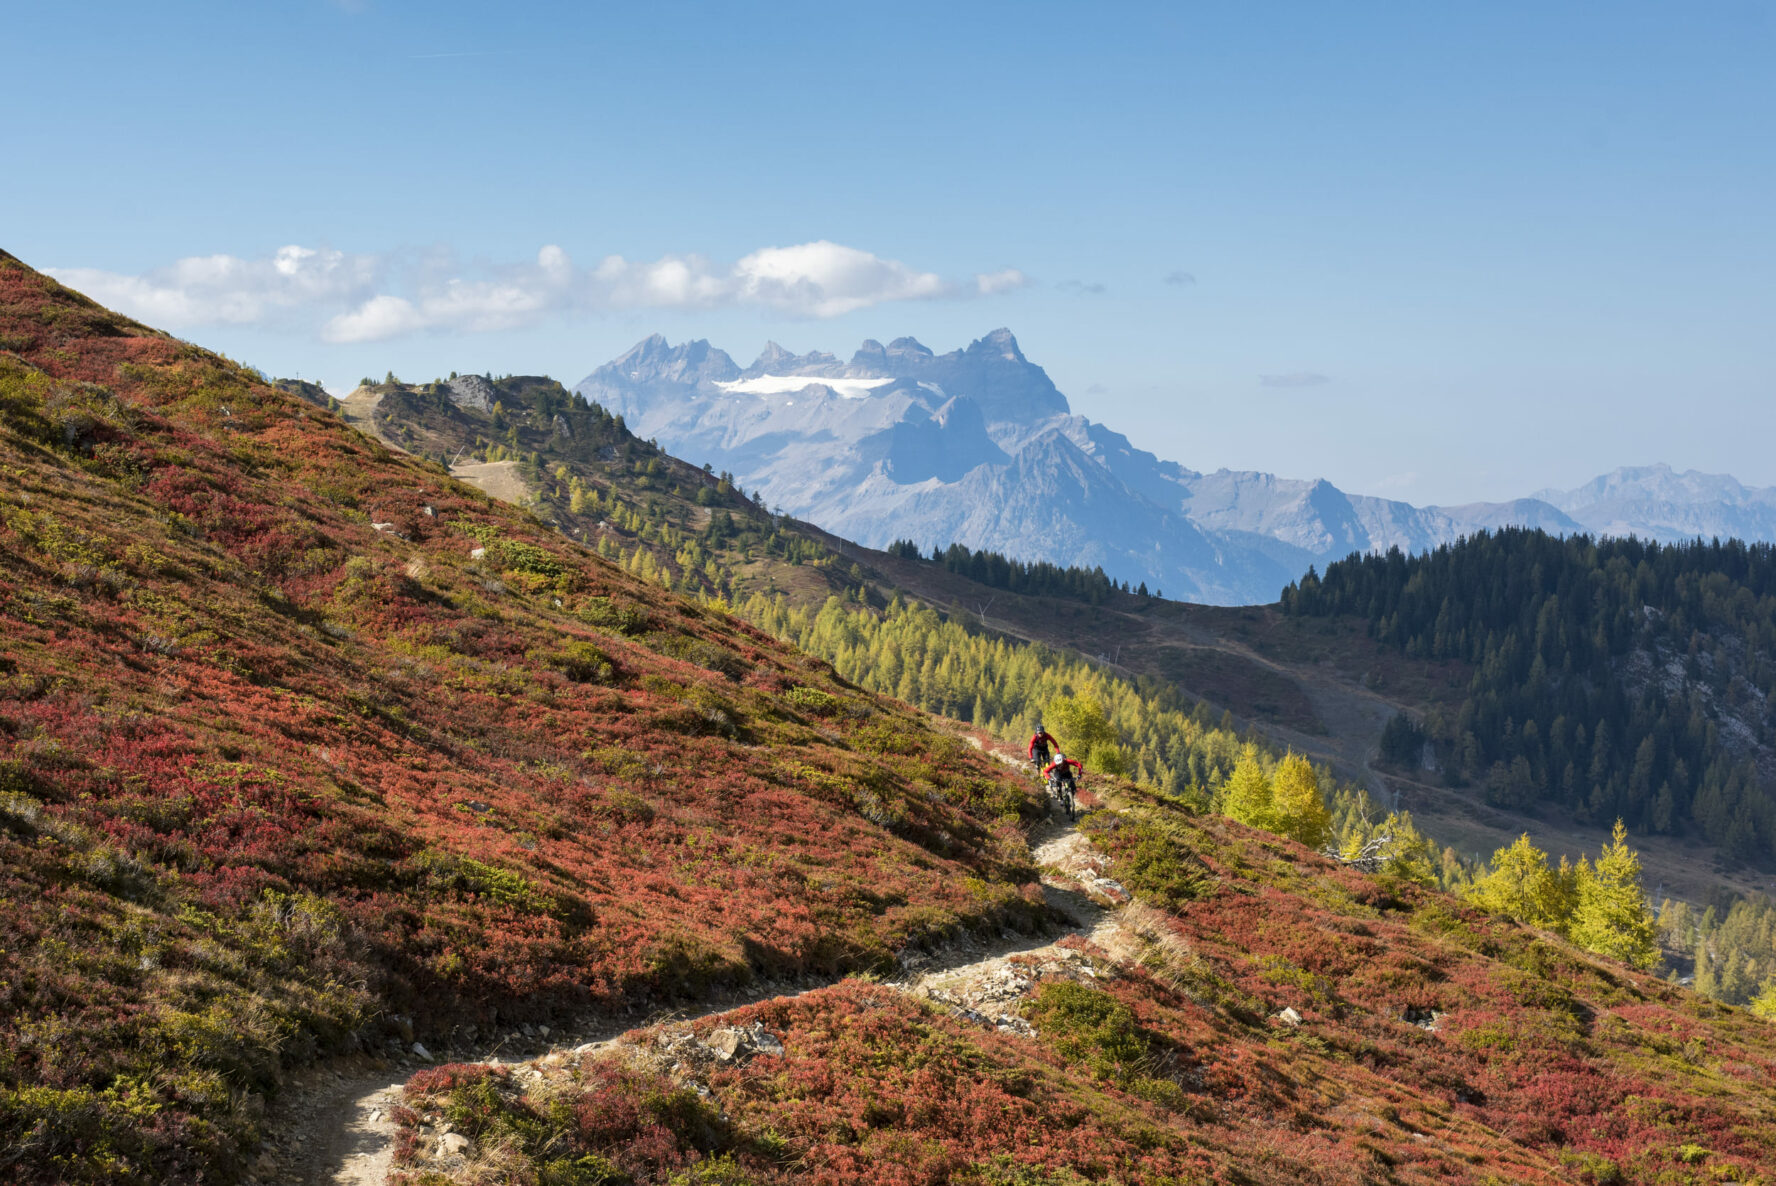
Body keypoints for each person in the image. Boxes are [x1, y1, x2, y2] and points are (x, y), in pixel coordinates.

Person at [1044, 751, 1083, 816]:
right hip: (1058, 774)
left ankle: (1070, 798)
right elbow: (1045, 771)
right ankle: (1061, 798)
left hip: (1067, 773)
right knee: (1058, 784)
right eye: (1058, 764)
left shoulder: (1068, 761)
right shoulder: (1054, 764)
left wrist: (1079, 775)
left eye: (1061, 763)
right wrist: (1049, 778)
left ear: (1063, 760)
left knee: (1073, 787)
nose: (1060, 765)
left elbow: (1079, 765)